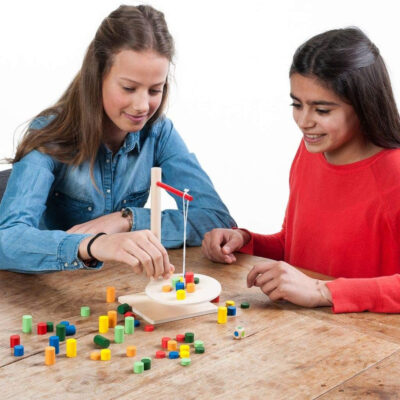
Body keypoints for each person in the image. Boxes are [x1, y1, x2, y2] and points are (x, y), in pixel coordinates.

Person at [0, 5, 235, 276]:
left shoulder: (159, 133)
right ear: (97, 76)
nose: (142, 106)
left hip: (114, 288)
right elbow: (7, 240)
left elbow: (217, 219)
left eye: (155, 90)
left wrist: (127, 220)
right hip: (45, 294)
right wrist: (93, 245)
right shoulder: (50, 132)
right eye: (129, 88)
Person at [202, 27, 400, 313]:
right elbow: (298, 247)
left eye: (322, 110)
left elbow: (317, 284)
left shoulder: (393, 173)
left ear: (363, 106)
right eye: (297, 104)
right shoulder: (312, 151)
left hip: (373, 349)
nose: (304, 121)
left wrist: (323, 291)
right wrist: (245, 241)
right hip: (307, 336)